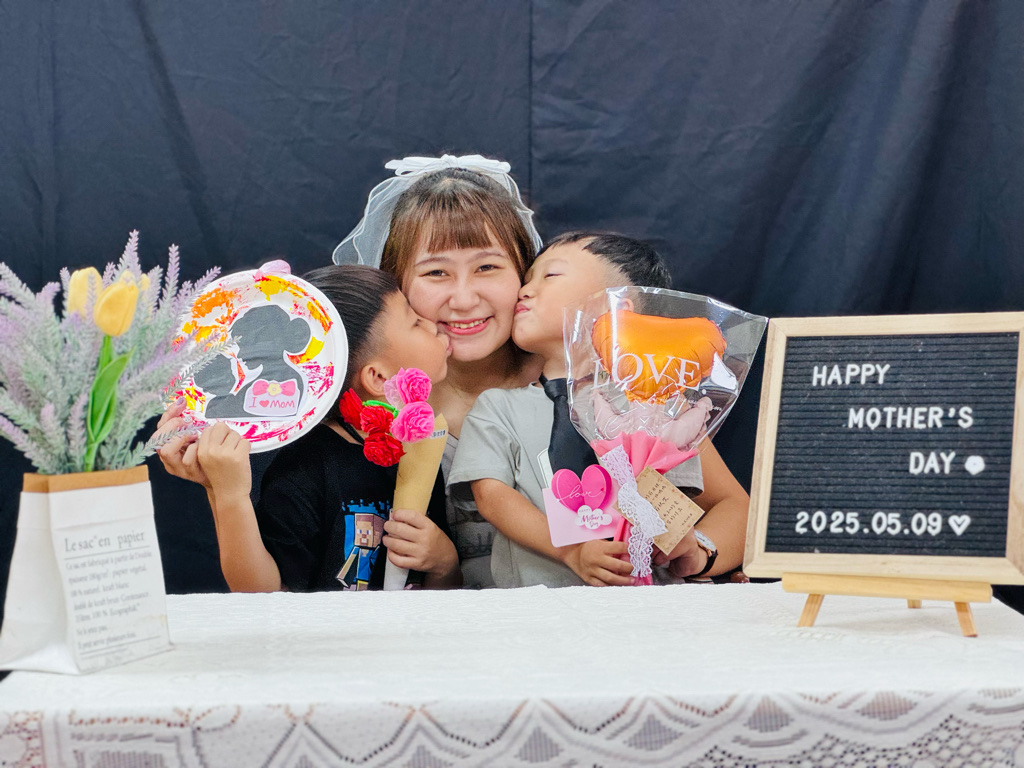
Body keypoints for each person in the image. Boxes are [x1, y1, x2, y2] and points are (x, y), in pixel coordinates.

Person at [447, 232, 751, 588]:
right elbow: (492, 497)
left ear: (619, 308)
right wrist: (571, 551)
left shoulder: (659, 407)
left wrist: (696, 551)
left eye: (550, 275)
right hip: (538, 608)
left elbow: (686, 501)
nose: (524, 291)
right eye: (527, 280)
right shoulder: (498, 407)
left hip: (653, 605)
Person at [157, 265, 460, 592]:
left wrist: (445, 563)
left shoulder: (417, 448)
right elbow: (264, 595)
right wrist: (227, 494)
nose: (431, 322)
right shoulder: (305, 471)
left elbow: (439, 597)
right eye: (414, 321)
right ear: (377, 377)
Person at [334, 154, 545, 587]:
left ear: (524, 270)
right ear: (396, 283)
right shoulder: (375, 405)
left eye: (487, 267)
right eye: (436, 272)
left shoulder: (568, 378)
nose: (464, 300)